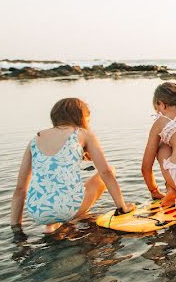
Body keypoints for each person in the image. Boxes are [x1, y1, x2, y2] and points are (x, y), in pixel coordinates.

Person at [10, 98, 133, 234]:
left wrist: (16, 228)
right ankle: (65, 219)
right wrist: (122, 208)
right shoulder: (82, 134)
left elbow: (20, 189)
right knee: (110, 171)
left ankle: (50, 226)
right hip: (69, 209)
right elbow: (105, 172)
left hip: (37, 212)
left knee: (54, 187)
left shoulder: (35, 139)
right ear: (81, 117)